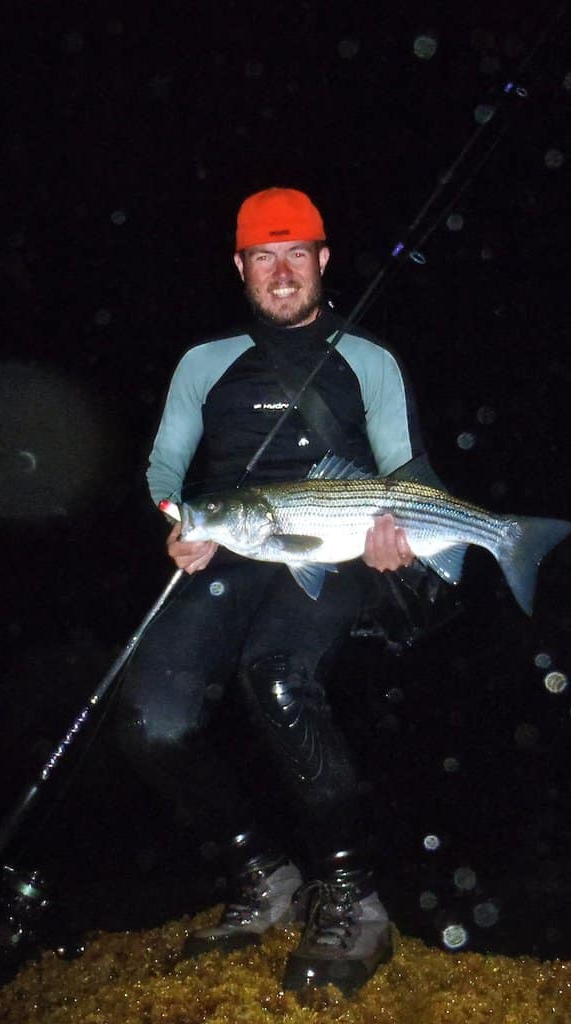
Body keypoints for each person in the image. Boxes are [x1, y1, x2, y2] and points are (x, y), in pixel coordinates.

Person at [114, 187, 427, 995]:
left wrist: (402, 537)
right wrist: (176, 521)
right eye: (264, 257)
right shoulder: (204, 362)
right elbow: (162, 470)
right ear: (241, 268)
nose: (281, 272)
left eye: (297, 255)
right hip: (232, 551)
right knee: (153, 719)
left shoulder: (369, 359)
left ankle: (356, 899)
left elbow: (405, 471)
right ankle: (266, 874)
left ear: (323, 262)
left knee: (279, 677)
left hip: (337, 546)